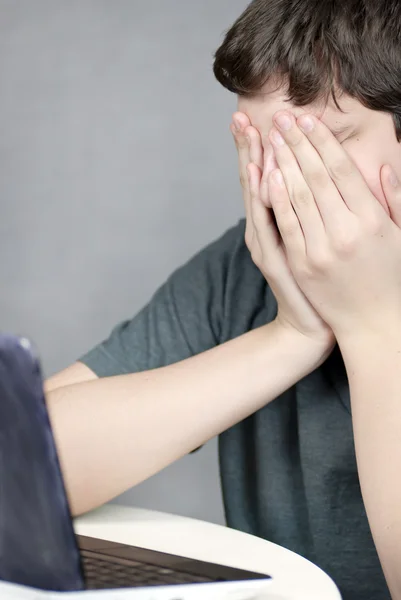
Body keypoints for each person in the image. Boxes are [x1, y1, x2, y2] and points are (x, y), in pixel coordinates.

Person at [44, 1, 401, 599]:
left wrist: (375, 327)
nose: (278, 186)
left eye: (318, 146)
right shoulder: (245, 269)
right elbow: (18, 477)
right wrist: (290, 336)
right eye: (258, 149)